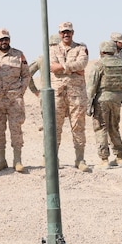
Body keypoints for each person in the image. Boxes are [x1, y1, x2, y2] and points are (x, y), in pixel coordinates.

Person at [0, 28, 31, 173]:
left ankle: (18, 160)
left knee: (16, 129)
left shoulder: (18, 55)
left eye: (6, 39)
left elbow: (26, 75)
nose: (4, 42)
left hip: (14, 99)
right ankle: (1, 160)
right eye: (1, 39)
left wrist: (20, 91)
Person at [50, 21, 90, 171]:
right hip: (58, 94)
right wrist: (73, 69)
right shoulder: (52, 49)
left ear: (73, 33)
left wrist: (62, 67)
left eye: (68, 32)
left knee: (78, 127)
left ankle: (80, 159)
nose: (66, 34)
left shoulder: (81, 48)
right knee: (55, 127)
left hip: (77, 94)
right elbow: (51, 67)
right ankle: (54, 158)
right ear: (59, 34)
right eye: (63, 32)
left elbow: (82, 64)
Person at [87, 40, 122, 168]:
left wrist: (88, 104)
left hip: (102, 100)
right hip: (117, 99)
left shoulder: (99, 65)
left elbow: (91, 87)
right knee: (114, 127)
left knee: (101, 128)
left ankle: (104, 159)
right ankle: (119, 157)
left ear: (101, 52)